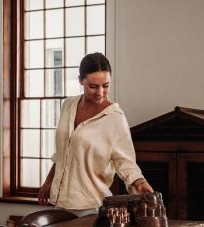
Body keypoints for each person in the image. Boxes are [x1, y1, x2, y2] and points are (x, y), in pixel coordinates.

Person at [38, 52, 153, 213]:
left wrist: (140, 182)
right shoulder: (68, 105)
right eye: (93, 86)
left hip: (90, 205)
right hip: (60, 202)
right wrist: (49, 181)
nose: (100, 92)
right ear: (80, 81)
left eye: (105, 85)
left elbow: (125, 161)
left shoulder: (115, 117)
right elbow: (63, 151)